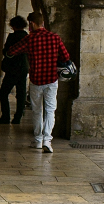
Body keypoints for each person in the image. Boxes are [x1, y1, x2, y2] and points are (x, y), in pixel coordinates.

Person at [24, 11, 70, 153]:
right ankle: (47, 140)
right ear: (42, 22)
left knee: (37, 111)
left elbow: (13, 50)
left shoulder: (30, 39)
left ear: (31, 24)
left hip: (36, 80)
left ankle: (38, 140)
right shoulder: (55, 37)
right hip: (51, 79)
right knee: (50, 110)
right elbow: (66, 56)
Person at [0, 16, 30, 124]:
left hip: (13, 69)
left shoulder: (12, 36)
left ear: (13, 26)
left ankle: (5, 116)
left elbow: (6, 51)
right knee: (21, 93)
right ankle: (18, 117)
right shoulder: (27, 36)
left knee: (3, 92)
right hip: (23, 68)